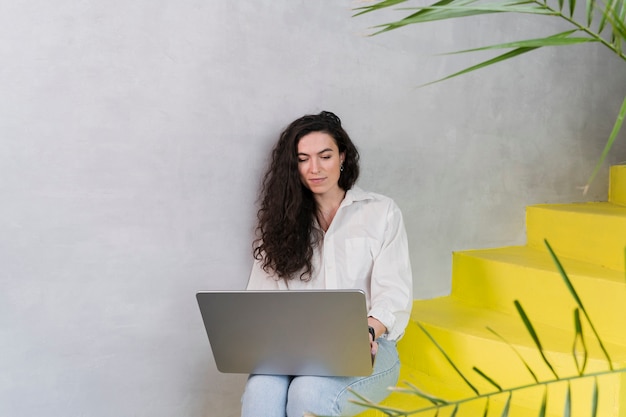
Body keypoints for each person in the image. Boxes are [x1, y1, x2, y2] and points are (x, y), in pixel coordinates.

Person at [241, 111, 413, 417]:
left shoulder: (381, 211)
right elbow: (261, 303)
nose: (314, 168)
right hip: (293, 350)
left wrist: (368, 331)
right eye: (303, 158)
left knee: (309, 391)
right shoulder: (280, 224)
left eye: (325, 156)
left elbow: (394, 294)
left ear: (342, 157)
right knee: (261, 390)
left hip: (370, 347)